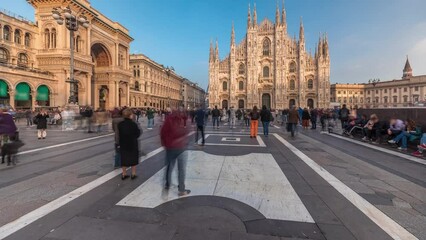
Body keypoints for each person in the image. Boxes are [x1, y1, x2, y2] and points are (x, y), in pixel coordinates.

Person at [161, 109, 191, 196]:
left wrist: (164, 143)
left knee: (169, 167)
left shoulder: (168, 120)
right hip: (181, 147)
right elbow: (185, 131)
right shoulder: (183, 120)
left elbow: (162, 132)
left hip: (170, 147)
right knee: (181, 169)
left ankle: (167, 184)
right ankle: (181, 190)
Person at [118, 108, 141, 180]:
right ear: (130, 115)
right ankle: (133, 174)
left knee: (124, 158)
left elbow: (119, 133)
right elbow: (138, 133)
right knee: (133, 158)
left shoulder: (120, 124)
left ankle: (124, 174)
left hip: (123, 143)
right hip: (132, 143)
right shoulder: (133, 124)